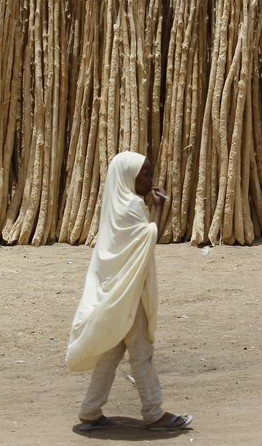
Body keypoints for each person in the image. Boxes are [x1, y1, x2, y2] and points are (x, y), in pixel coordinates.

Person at [66, 151, 193, 432]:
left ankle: (90, 412)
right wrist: (159, 209)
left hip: (115, 293)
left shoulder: (115, 205)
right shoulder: (132, 207)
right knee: (141, 352)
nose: (150, 181)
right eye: (145, 175)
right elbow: (148, 240)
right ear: (128, 177)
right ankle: (154, 412)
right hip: (129, 294)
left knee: (111, 352)